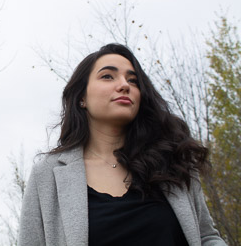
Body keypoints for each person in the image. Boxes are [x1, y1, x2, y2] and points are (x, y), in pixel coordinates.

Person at [18, 43, 227, 246]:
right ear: (82, 97)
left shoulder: (172, 161)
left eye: (133, 80)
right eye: (107, 76)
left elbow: (206, 237)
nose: (124, 85)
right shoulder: (47, 174)